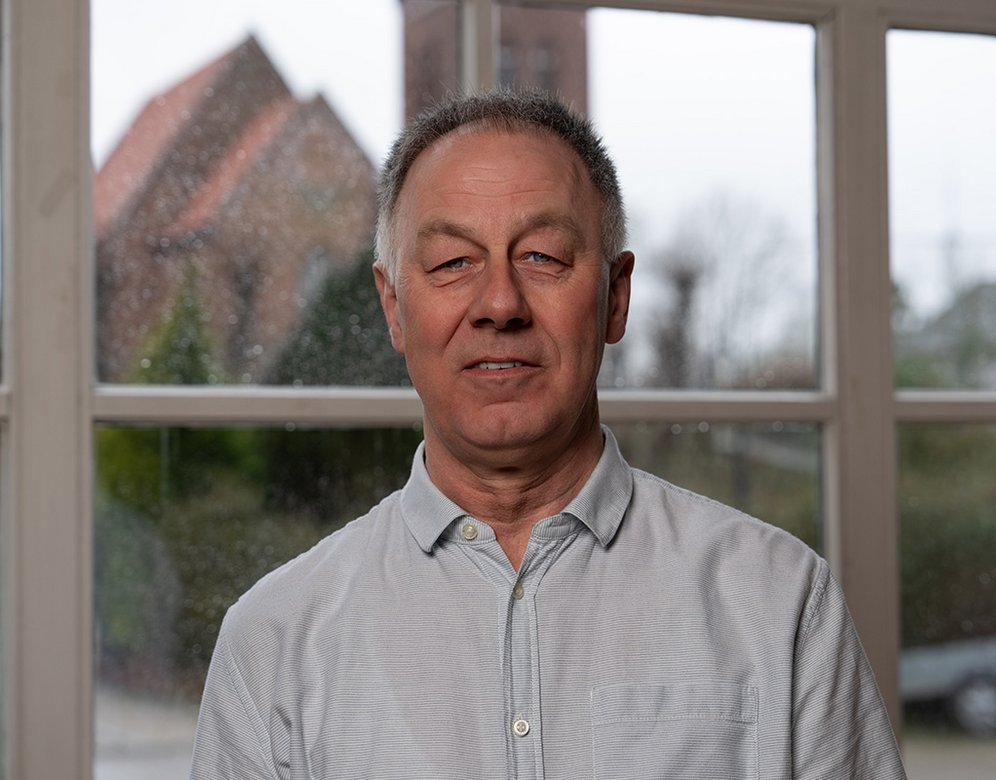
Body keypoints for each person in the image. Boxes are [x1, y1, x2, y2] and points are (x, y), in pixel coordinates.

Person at [189, 90, 907, 779]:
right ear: (394, 310)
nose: (499, 303)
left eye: (542, 257)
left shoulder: (780, 601)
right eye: (450, 264)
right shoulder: (273, 641)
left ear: (615, 299)